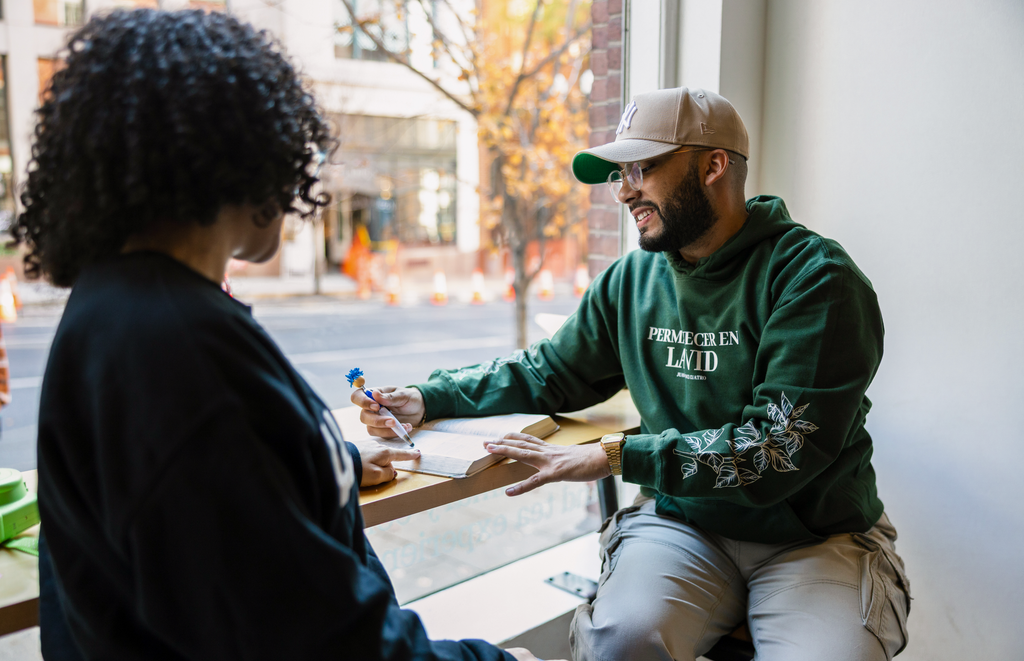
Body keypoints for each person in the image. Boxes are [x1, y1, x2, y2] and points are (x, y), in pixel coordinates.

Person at [18, 9, 549, 661]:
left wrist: (339, 468)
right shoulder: (179, 351)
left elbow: (209, 512)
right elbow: (317, 641)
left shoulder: (120, 307)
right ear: (242, 155)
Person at [353, 87, 912, 661]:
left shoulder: (814, 278)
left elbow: (775, 450)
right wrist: (428, 397)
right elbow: (548, 372)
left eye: (641, 168)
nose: (624, 191)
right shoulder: (632, 282)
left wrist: (617, 454)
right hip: (683, 521)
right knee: (620, 645)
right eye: (619, 174)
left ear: (713, 165)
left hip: (816, 536)